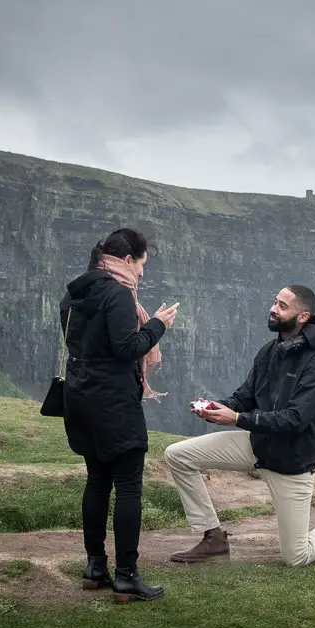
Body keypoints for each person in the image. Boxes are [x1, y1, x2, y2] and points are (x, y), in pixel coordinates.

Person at [163, 283, 315, 567]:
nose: (273, 309)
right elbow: (245, 396)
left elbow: (295, 420)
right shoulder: (270, 350)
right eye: (275, 302)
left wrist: (237, 419)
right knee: (178, 455)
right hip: (257, 447)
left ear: (303, 317)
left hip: (292, 462)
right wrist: (216, 407)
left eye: (283, 306)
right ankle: (212, 537)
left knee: (296, 557)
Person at [60, 227, 179, 603]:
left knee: (97, 481)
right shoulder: (119, 295)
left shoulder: (74, 293)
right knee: (128, 486)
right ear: (127, 260)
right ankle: (126, 576)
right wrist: (157, 325)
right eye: (141, 265)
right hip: (112, 402)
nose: (142, 273)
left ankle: (96, 567)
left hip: (79, 398)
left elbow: (85, 343)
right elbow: (126, 348)